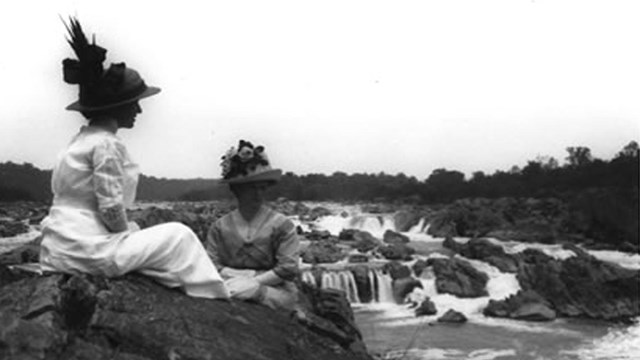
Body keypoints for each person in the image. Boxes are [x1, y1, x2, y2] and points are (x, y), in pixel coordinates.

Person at [39, 18, 229, 299]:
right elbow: (111, 208)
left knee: (144, 234)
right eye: (135, 103)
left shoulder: (78, 141)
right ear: (120, 107)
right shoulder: (107, 144)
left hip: (57, 248)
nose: (139, 110)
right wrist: (123, 232)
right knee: (180, 234)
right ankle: (215, 296)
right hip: (87, 250)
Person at [204, 140, 301, 310]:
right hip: (230, 283)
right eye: (251, 188)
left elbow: (289, 268)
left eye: (261, 188)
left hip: (276, 291)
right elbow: (211, 264)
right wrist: (239, 277)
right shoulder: (219, 227)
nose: (258, 193)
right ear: (237, 189)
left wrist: (253, 282)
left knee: (245, 291)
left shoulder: (283, 225)